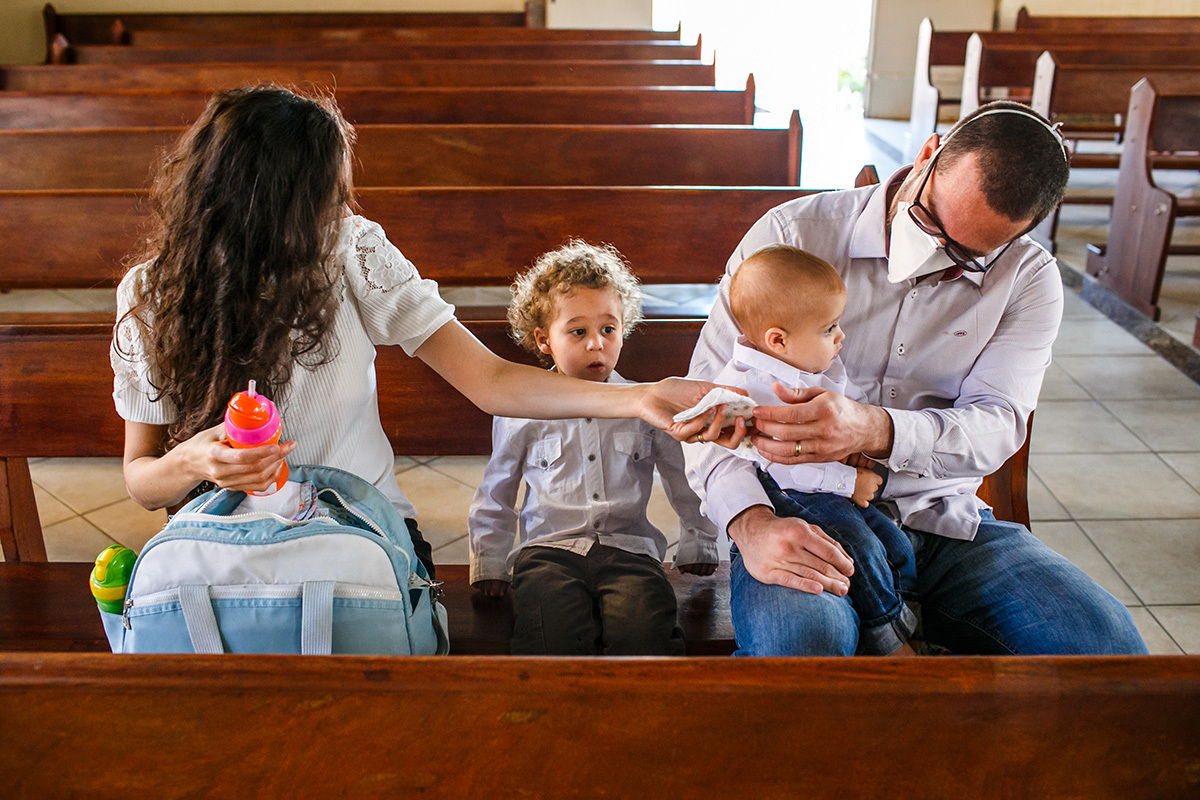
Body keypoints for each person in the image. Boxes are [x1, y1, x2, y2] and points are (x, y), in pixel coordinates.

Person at [109, 86, 729, 576]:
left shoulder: (349, 252)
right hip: (224, 546)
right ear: (266, 206)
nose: (343, 213)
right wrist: (194, 460)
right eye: (326, 199)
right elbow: (141, 481)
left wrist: (636, 398)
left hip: (359, 533)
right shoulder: (152, 295)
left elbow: (487, 379)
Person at [685, 101, 1148, 656]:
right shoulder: (794, 234)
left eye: (966, 255)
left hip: (939, 518)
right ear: (928, 155)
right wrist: (751, 525)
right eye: (931, 221)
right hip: (797, 511)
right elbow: (705, 405)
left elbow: (998, 424)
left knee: (1105, 645)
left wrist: (876, 430)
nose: (934, 253)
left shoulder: (1027, 277)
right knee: (804, 648)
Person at [468, 241, 719, 655]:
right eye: (578, 331)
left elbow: (683, 475)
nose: (596, 344)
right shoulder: (521, 408)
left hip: (630, 550)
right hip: (549, 552)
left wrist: (699, 539)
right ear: (543, 339)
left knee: (644, 638)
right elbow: (497, 488)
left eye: (608, 329)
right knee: (551, 640)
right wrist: (490, 561)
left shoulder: (644, 404)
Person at [700, 243, 918, 655]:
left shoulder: (809, 364)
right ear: (777, 340)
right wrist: (850, 481)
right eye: (828, 329)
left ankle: (907, 613)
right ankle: (889, 636)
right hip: (792, 498)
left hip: (827, 488)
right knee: (859, 547)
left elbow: (849, 407)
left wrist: (859, 438)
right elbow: (785, 463)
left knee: (895, 545)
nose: (841, 337)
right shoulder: (756, 388)